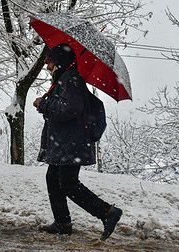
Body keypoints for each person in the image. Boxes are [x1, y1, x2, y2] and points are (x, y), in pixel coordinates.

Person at [33, 43, 122, 241]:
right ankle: (62, 222)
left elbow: (68, 109)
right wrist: (45, 106)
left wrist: (44, 104)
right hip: (65, 142)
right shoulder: (63, 80)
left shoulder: (71, 79)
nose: (47, 66)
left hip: (71, 143)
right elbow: (61, 110)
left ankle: (108, 213)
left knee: (68, 184)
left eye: (49, 62)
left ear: (58, 62)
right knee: (53, 179)